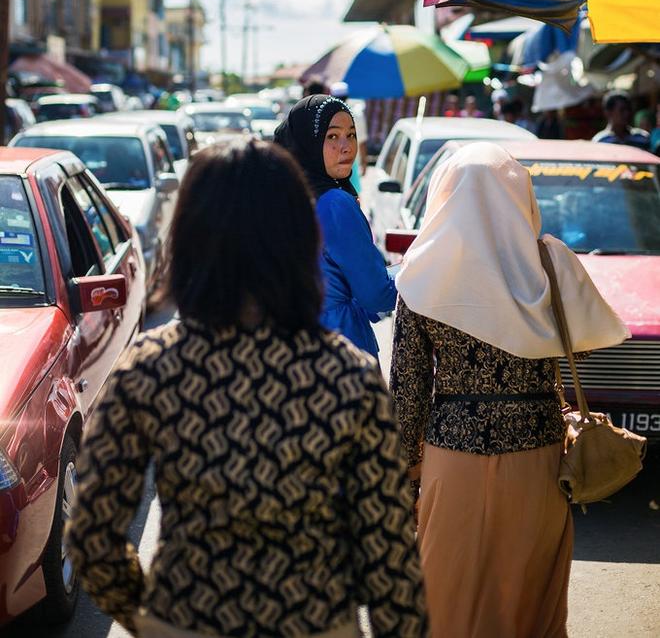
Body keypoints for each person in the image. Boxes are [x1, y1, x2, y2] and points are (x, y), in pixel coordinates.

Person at [66, 139, 428, 638]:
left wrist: (152, 621)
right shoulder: (350, 376)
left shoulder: (148, 370)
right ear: (300, 241)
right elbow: (389, 563)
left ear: (188, 239)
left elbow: (91, 539)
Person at [389, 142, 629, 638]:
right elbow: (583, 345)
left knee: (448, 595)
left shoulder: (421, 275)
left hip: (451, 456)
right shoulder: (548, 265)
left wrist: (405, 467)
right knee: (526, 596)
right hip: (537, 457)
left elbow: (408, 391)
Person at [274, 94, 396, 357]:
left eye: (351, 135)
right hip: (341, 354)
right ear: (309, 142)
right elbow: (377, 295)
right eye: (332, 136)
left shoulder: (285, 197)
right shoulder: (335, 204)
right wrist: (416, 271)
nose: (347, 147)